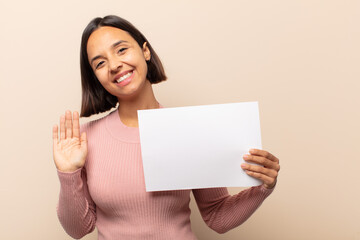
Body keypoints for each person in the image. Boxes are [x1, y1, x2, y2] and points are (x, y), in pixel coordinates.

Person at [52, 15, 280, 240]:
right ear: (96, 77)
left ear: (145, 51)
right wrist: (68, 173)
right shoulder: (83, 140)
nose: (114, 65)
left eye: (121, 50)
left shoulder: (188, 130)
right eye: (100, 63)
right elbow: (78, 230)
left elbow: (217, 215)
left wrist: (263, 188)